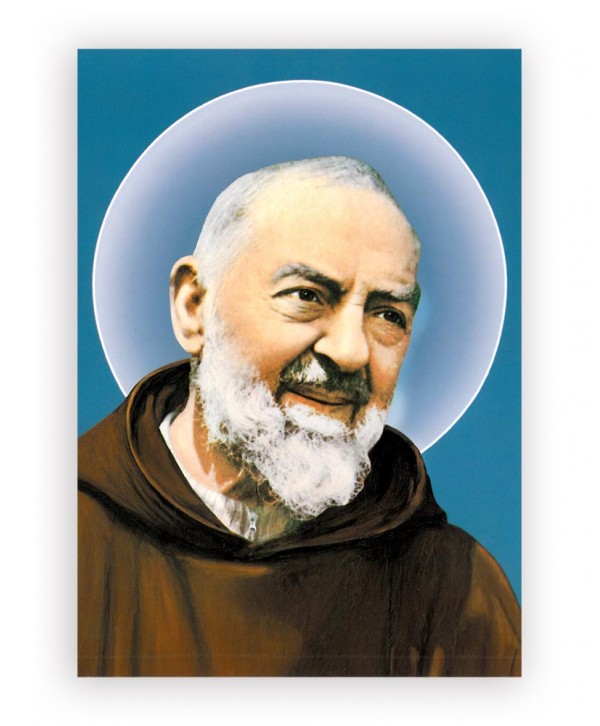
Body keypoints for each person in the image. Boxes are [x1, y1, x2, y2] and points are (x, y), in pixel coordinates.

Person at [78, 156, 521, 677]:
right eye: (307, 296)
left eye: (387, 314)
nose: (351, 352)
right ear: (194, 307)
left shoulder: (456, 587)